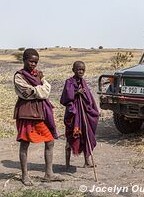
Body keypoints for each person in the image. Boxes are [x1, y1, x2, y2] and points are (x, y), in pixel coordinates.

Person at [13, 48, 64, 185]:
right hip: (26, 113)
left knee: (50, 141)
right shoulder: (19, 76)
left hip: (40, 113)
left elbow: (46, 90)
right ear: (23, 60)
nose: (33, 64)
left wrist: (40, 86)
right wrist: (41, 87)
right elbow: (27, 93)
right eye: (31, 61)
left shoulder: (38, 75)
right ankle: (25, 175)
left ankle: (49, 173)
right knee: (25, 143)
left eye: (36, 62)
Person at [60, 61, 99, 170]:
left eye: (82, 69)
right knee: (70, 138)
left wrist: (92, 108)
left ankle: (87, 162)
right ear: (73, 70)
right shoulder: (69, 82)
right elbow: (65, 98)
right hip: (73, 115)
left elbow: (88, 98)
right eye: (78, 69)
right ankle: (67, 164)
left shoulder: (84, 82)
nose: (80, 71)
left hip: (84, 115)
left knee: (86, 136)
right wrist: (76, 93)